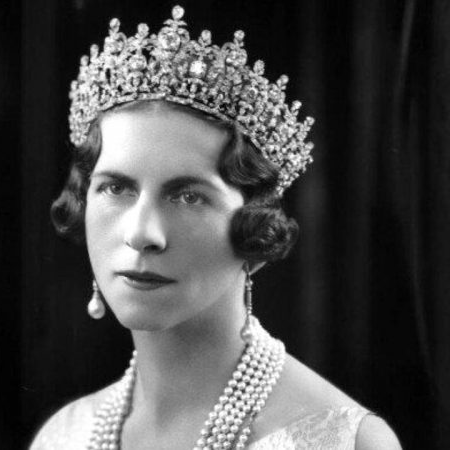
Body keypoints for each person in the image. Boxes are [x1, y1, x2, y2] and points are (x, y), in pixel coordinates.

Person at [31, 6, 401, 449]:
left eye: (188, 196)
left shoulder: (344, 442)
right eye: (116, 188)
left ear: (255, 229)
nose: (142, 234)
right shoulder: (64, 436)